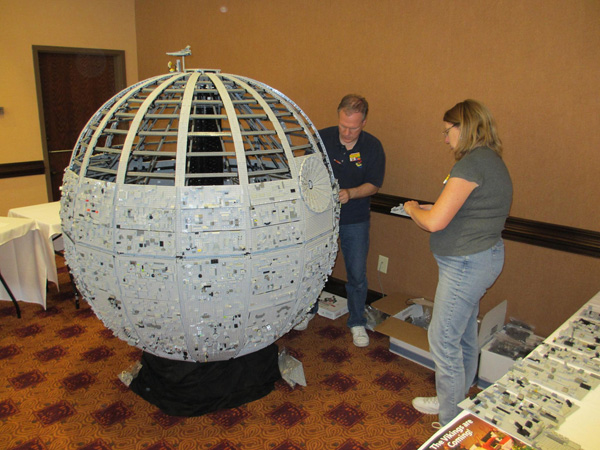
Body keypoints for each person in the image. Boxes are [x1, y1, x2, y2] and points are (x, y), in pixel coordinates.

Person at [403, 99, 512, 426]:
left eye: (447, 130)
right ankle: (456, 399)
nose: (445, 138)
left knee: (443, 340)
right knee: (462, 335)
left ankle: (450, 422)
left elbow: (434, 223)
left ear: (464, 128)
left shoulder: (471, 164)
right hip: (481, 258)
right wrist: (430, 208)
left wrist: (412, 209)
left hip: (466, 265)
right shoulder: (490, 161)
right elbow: (462, 210)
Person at [294, 94, 386, 348]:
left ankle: (356, 321)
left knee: (356, 272)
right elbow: (305, 171)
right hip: (320, 217)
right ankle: (308, 310)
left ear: (363, 123)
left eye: (353, 128)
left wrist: (351, 193)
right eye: (343, 126)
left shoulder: (372, 147)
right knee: (314, 267)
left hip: (355, 219)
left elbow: (374, 184)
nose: (346, 132)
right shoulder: (321, 139)